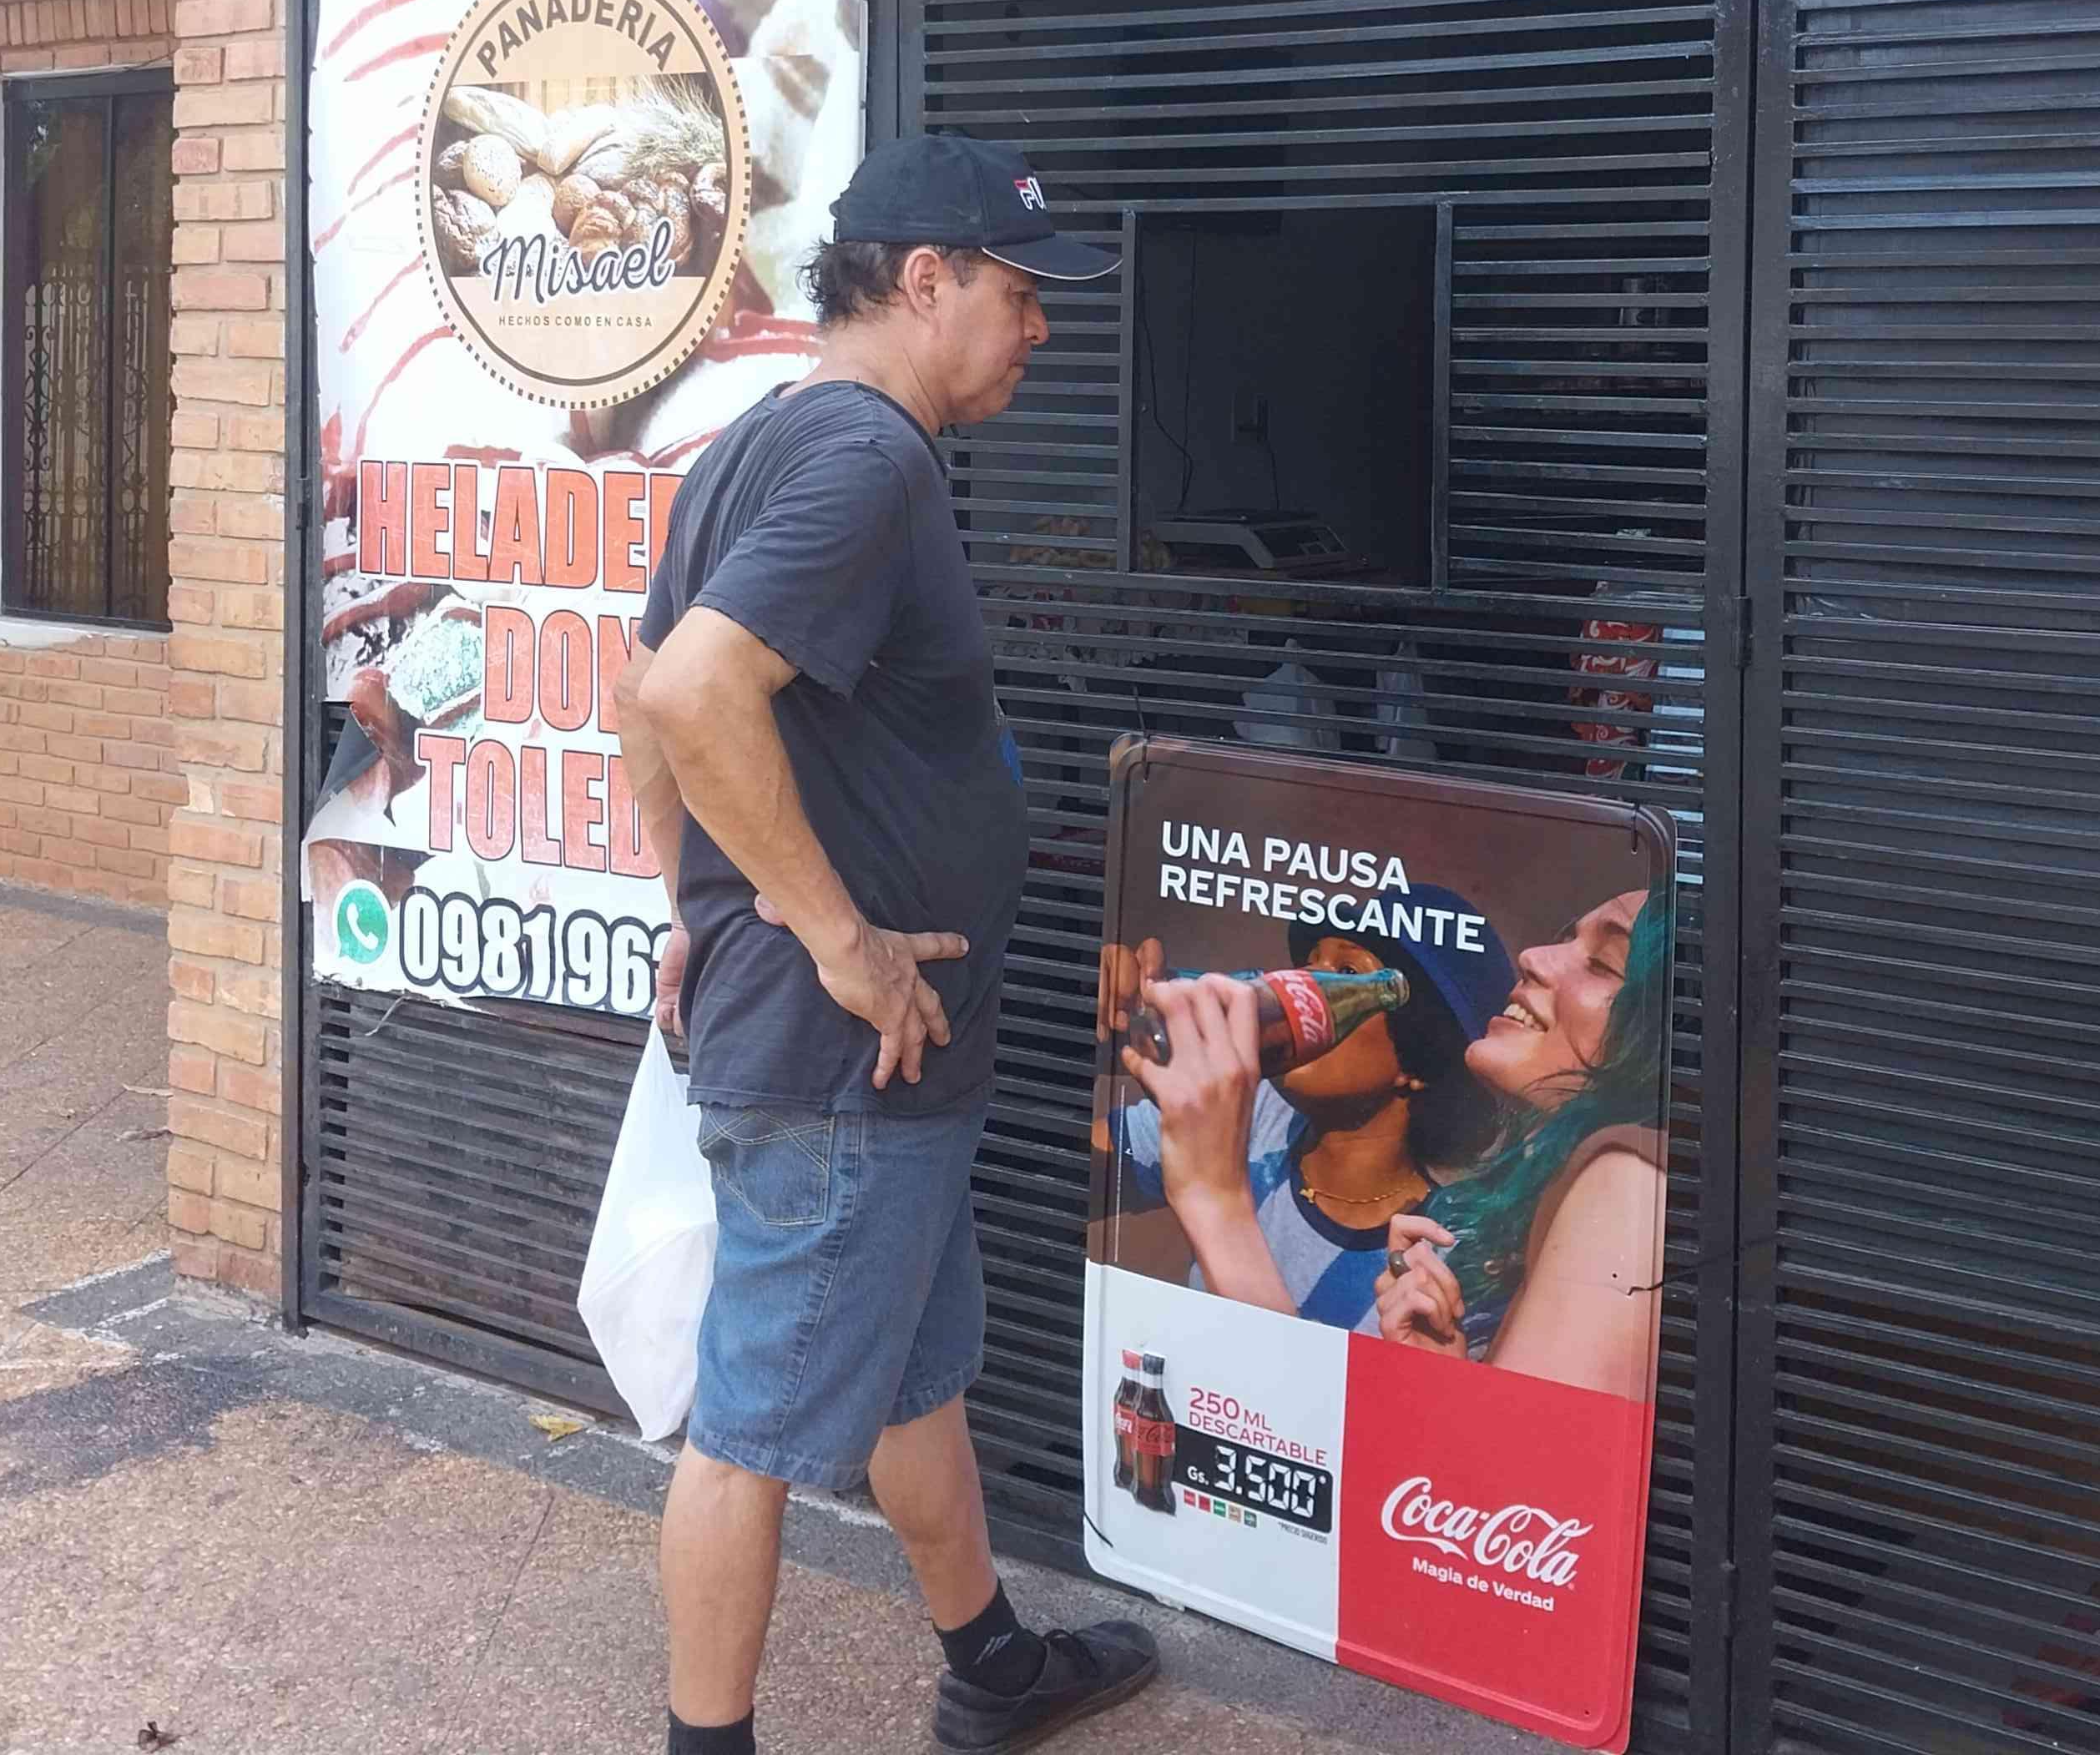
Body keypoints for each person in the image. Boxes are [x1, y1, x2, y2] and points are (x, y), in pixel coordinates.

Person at [613, 134, 1161, 1755]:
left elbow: (644, 692)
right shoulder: (867, 460)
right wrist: (831, 935)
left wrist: (695, 901)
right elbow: (689, 691)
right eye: (1021, 292)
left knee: (913, 1370)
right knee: (751, 1429)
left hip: (861, 1061)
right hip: (842, 1056)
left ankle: (989, 1667)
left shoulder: (762, 440)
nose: (1040, 327)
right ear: (925, 280)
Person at [1093, 897, 1516, 1325]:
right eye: (1310, 964)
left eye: (1346, 975)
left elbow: (1284, 1370)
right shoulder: (1256, 1109)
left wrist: (1216, 1193)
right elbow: (1067, 1178)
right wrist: (1086, 1025)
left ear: (1420, 1059)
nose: (1301, 985)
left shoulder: (1445, 1258)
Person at [1371, 885, 1673, 1399]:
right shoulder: (1571, 1186)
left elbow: (1521, 1453)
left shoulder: (1632, 1178)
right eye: (1566, 938)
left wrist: (1224, 1201)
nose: (1533, 957)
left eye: (1602, 964)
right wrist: (1443, 1371)